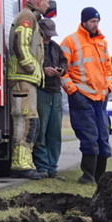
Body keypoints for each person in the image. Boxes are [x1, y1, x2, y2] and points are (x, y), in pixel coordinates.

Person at [60, 7, 112, 184]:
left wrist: (108, 86)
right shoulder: (70, 41)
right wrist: (72, 91)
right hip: (81, 96)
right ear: (84, 22)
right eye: (92, 22)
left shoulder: (102, 42)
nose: (95, 25)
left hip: (100, 98)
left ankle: (99, 177)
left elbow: (107, 67)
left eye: (97, 22)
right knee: (89, 137)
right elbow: (62, 69)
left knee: (103, 137)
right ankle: (88, 176)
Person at [6, 0, 50, 180]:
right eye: (47, 1)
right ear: (39, 1)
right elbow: (19, 45)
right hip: (23, 80)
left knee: (30, 121)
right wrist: (32, 68)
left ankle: (25, 162)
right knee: (25, 122)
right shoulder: (27, 17)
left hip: (26, 81)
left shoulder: (31, 17)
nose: (49, 5)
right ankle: (20, 164)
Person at [33, 17, 68, 179]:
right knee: (41, 131)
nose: (48, 37)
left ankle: (52, 168)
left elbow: (64, 63)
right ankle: (42, 167)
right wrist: (43, 70)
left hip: (56, 91)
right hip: (41, 91)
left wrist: (61, 70)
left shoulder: (55, 47)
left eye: (50, 34)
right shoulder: (34, 47)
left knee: (54, 133)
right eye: (46, 34)